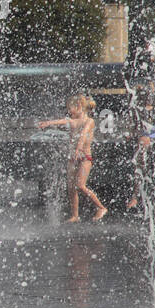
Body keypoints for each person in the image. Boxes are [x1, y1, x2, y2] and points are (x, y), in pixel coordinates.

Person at [37, 94, 106, 222]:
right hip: (73, 157)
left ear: (79, 107)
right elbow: (60, 121)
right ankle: (75, 215)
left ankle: (101, 207)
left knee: (80, 185)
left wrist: (78, 148)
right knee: (71, 187)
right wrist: (47, 124)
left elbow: (83, 135)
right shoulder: (72, 121)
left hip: (85, 157)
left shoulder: (89, 121)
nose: (69, 111)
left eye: (70, 108)